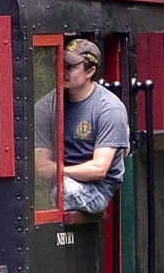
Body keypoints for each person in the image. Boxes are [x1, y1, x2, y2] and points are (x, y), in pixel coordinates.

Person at [33, 38, 128, 215]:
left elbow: (99, 169)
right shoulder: (45, 107)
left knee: (64, 190)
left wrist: (58, 171)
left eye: (70, 67)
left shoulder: (109, 108)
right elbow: (40, 165)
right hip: (55, 184)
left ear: (90, 71)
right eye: (60, 65)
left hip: (98, 188)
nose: (63, 71)